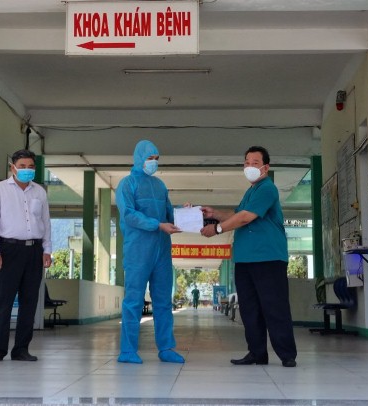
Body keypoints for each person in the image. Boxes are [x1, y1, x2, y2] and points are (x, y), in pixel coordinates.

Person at [200, 146, 297, 368]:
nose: (249, 166)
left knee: (274, 307)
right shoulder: (250, 192)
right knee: (249, 309)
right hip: (244, 260)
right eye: (246, 162)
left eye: (255, 162)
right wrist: (214, 214)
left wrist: (216, 230)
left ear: (266, 167)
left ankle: (287, 354)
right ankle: (257, 353)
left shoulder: (267, 189)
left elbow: (245, 218)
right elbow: (236, 214)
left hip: (268, 258)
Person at [116, 140, 185, 364]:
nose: (153, 163)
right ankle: (127, 351)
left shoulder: (160, 186)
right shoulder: (127, 185)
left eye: (156, 159)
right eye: (149, 159)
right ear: (138, 159)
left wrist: (186, 214)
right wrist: (157, 225)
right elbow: (129, 215)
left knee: (163, 301)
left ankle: (166, 348)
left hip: (162, 250)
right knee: (134, 300)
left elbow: (169, 214)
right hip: (138, 250)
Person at [0, 149, 52, 362]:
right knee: (2, 301)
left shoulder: (39, 192)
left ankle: (21, 349)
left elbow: (46, 223)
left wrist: (47, 250)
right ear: (12, 167)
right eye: (22, 166)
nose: (27, 170)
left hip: (34, 251)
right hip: (7, 250)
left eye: (31, 166)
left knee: (29, 302)